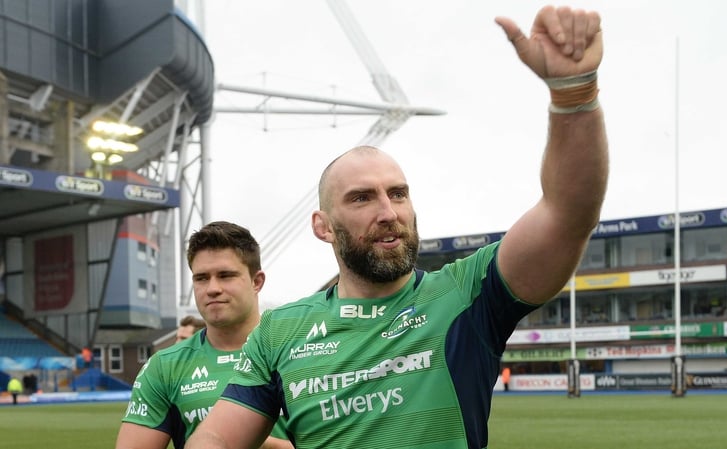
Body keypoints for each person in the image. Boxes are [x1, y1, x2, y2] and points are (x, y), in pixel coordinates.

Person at [187, 5, 608, 449]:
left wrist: (574, 95)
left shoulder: (467, 294)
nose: (388, 211)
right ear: (323, 226)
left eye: (398, 193)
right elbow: (215, 438)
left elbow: (568, 212)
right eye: (362, 198)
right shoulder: (280, 330)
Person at [115, 221, 293, 449]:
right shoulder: (163, 367)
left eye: (225, 275)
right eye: (201, 278)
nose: (212, 288)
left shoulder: (299, 350)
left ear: (256, 282)